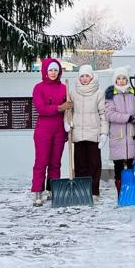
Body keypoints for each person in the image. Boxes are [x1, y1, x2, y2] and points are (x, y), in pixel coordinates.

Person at [31, 58, 72, 207]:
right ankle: (38, 192)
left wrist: (69, 108)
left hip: (59, 130)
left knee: (55, 163)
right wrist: (59, 107)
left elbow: (68, 110)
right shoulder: (38, 88)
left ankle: (52, 189)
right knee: (41, 162)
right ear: (45, 72)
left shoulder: (63, 88)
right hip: (43, 130)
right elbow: (41, 108)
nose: (53, 73)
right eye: (50, 70)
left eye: (56, 70)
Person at [65, 65, 108, 200]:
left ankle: (94, 191)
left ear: (92, 77)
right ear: (79, 78)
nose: (84, 79)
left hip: (93, 133)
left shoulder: (99, 93)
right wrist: (66, 122)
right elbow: (68, 111)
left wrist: (104, 133)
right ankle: (81, 191)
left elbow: (103, 114)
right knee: (80, 164)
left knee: (94, 164)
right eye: (82, 76)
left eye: (87, 76)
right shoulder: (72, 92)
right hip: (78, 133)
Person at [104, 66, 135, 197]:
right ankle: (121, 191)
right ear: (115, 80)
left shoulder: (134, 94)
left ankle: (132, 191)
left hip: (132, 137)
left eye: (124, 78)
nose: (121, 81)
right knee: (119, 167)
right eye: (118, 79)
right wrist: (128, 118)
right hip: (118, 137)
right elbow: (110, 114)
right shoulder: (111, 96)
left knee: (132, 165)